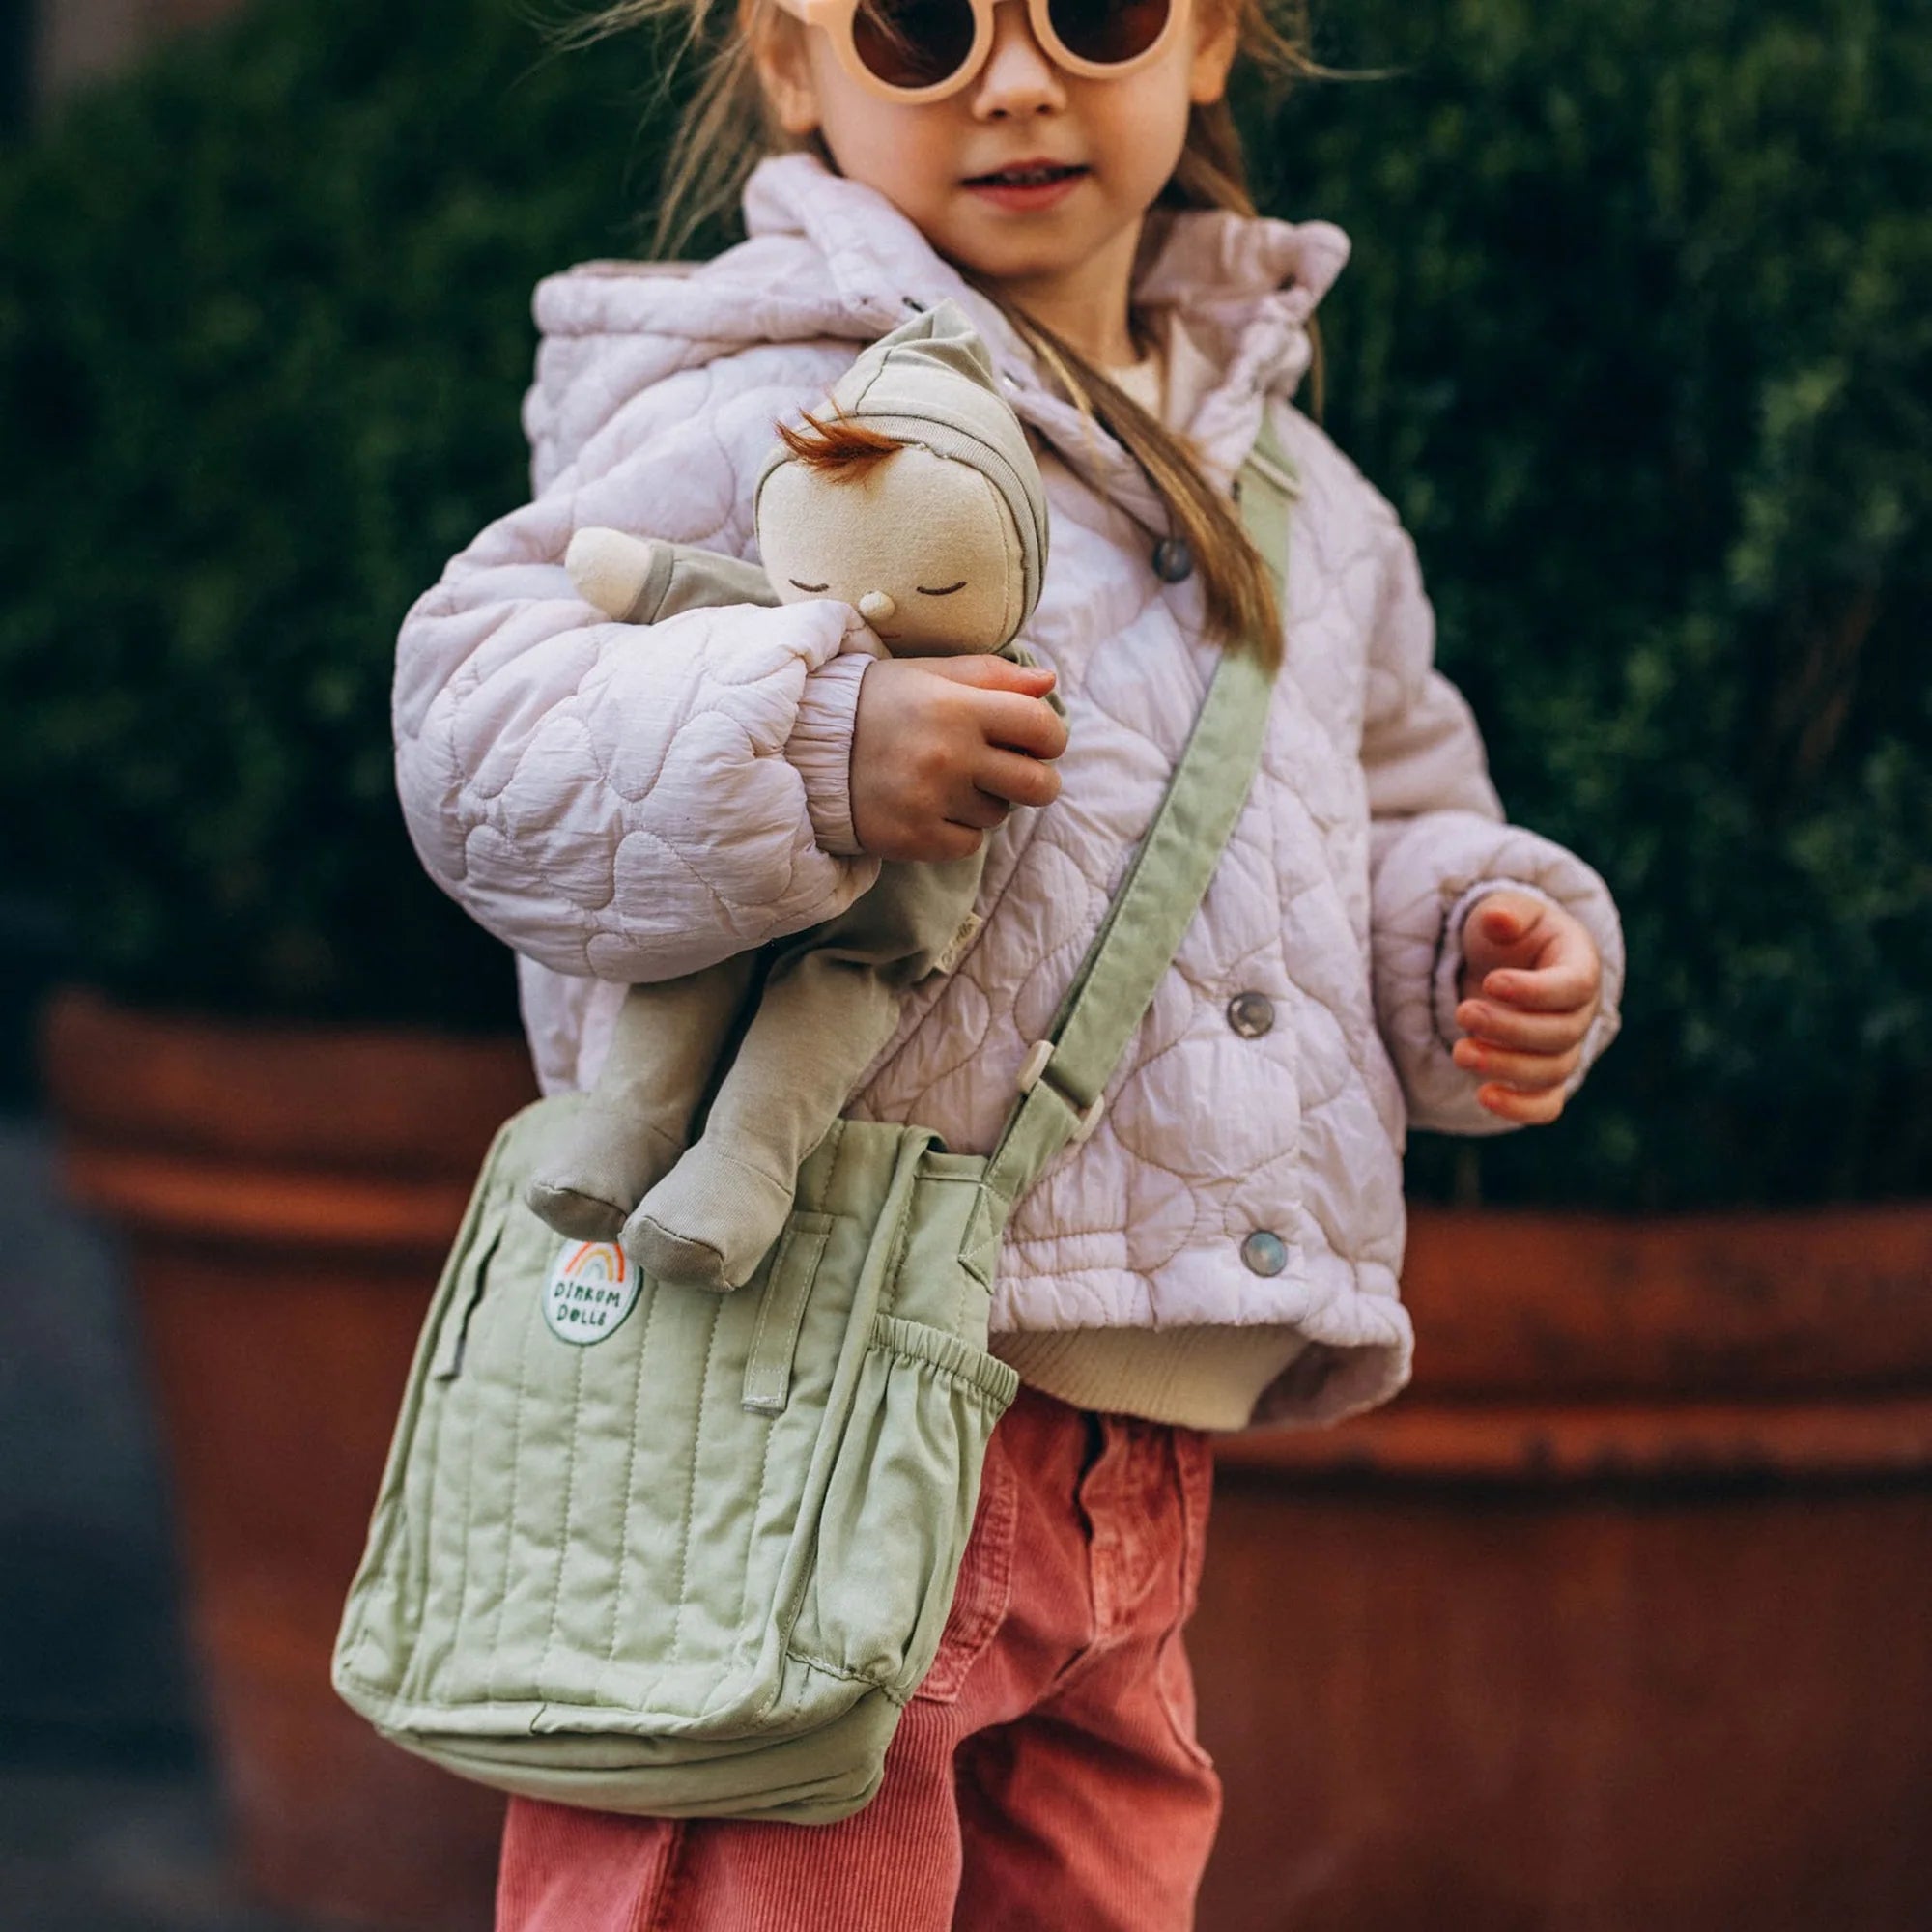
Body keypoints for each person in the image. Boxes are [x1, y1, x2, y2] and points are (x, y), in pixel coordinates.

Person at [391, 0, 1626, 1920]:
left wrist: (1474, 938)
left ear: (1209, 41)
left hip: (1131, 1475)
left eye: (1101, 13)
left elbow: (1381, 810)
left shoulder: (1304, 493)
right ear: (792, 67)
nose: (1018, 76)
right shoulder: (770, 407)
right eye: (913, 27)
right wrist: (815, 744)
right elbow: (481, 732)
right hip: (785, 1411)